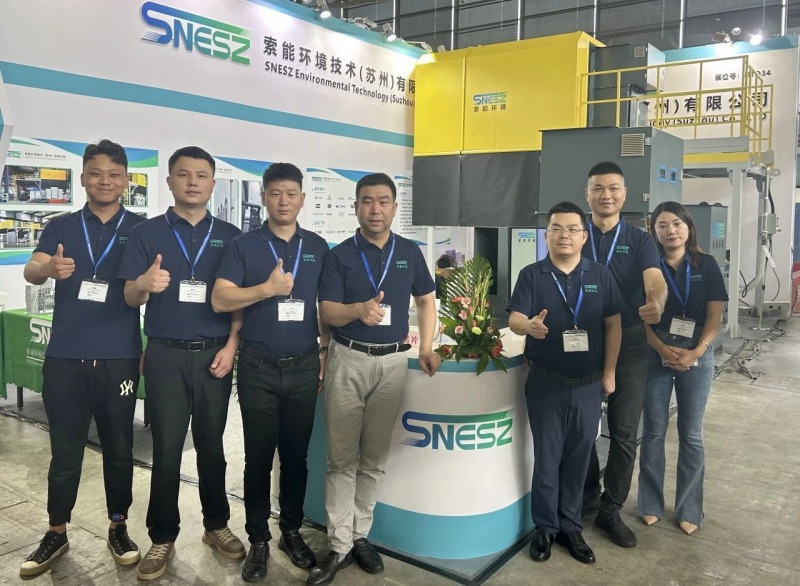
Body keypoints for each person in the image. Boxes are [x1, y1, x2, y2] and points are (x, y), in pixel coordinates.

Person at [19, 139, 145, 577]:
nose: (104, 181)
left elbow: (144, 288)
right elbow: (31, 269)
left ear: (125, 180)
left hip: (119, 357)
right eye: (96, 173)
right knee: (64, 450)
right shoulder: (61, 226)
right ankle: (56, 531)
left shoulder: (141, 229)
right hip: (66, 357)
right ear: (83, 178)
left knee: (119, 448)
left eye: (114, 174)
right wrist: (47, 269)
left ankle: (118, 527)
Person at [308, 172, 440, 585]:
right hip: (348, 360)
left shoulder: (409, 252)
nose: (375, 209)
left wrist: (426, 346)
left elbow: (426, 300)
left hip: (393, 364)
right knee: (341, 461)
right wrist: (357, 310)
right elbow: (327, 311)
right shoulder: (340, 255)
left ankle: (360, 535)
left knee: (374, 460)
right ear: (356, 207)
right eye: (367, 201)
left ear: (395, 207)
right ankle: (338, 544)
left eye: (383, 201)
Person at [119, 146, 244, 580]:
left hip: (215, 353)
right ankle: (162, 536)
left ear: (212, 183)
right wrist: (143, 283)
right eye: (184, 175)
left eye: (201, 175)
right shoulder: (146, 233)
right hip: (165, 354)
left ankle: (216, 524)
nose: (193, 182)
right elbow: (129, 297)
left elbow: (238, 301)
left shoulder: (231, 236)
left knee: (212, 446)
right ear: (169, 181)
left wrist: (232, 345)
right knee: (167, 448)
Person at [212, 163, 330, 582]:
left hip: (303, 365)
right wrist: (267, 289)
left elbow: (326, 306)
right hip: (258, 367)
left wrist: (325, 351)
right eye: (275, 193)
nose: (283, 201)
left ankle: (290, 531)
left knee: (296, 457)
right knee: (258, 457)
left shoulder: (317, 246)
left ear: (302, 199)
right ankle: (259, 539)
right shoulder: (244, 246)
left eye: (291, 193)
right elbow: (220, 299)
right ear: (263, 197)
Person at [508, 201, 624, 565]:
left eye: (573, 229)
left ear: (584, 236)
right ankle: (545, 527)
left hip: (589, 384)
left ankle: (571, 527)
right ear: (546, 236)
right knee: (547, 460)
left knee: (578, 459)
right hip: (547, 383)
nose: (564, 235)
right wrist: (528, 326)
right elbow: (514, 318)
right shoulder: (532, 274)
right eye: (556, 228)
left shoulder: (600, 275)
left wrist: (609, 372)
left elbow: (613, 326)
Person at [581, 161, 668, 548]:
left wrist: (657, 301)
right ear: (587, 194)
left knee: (625, 433)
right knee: (581, 428)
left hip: (630, 343)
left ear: (625, 194)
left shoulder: (640, 240)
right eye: (598, 188)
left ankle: (610, 510)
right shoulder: (574, 232)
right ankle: (587, 492)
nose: (606, 195)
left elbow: (655, 278)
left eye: (614, 188)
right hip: (582, 340)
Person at [637, 201, 727, 535]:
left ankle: (689, 508)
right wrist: (661, 348)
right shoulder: (648, 268)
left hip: (697, 352)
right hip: (654, 351)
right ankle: (649, 503)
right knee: (653, 431)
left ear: (688, 227)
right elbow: (639, 316)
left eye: (676, 223)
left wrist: (697, 352)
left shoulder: (706, 264)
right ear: (654, 231)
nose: (670, 231)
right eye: (662, 225)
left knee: (691, 433)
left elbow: (715, 314)